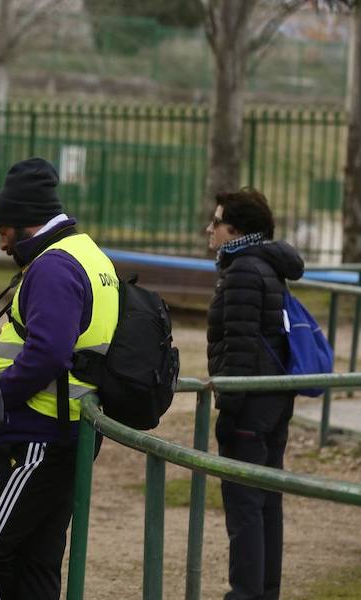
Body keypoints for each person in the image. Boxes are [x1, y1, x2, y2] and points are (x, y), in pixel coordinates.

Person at [0, 157, 119, 599]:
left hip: (35, 436)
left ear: (25, 222)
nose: (1, 243)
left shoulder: (53, 267)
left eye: (4, 230)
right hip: (67, 432)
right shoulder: (89, 254)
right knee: (35, 562)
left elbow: (47, 354)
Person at [205, 187, 304, 600]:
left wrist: (228, 407)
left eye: (216, 222)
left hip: (251, 405)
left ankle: (245, 594)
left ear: (235, 230)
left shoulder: (245, 269)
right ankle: (264, 592)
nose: (209, 229)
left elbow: (241, 345)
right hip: (272, 401)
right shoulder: (264, 265)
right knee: (265, 500)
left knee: (246, 505)